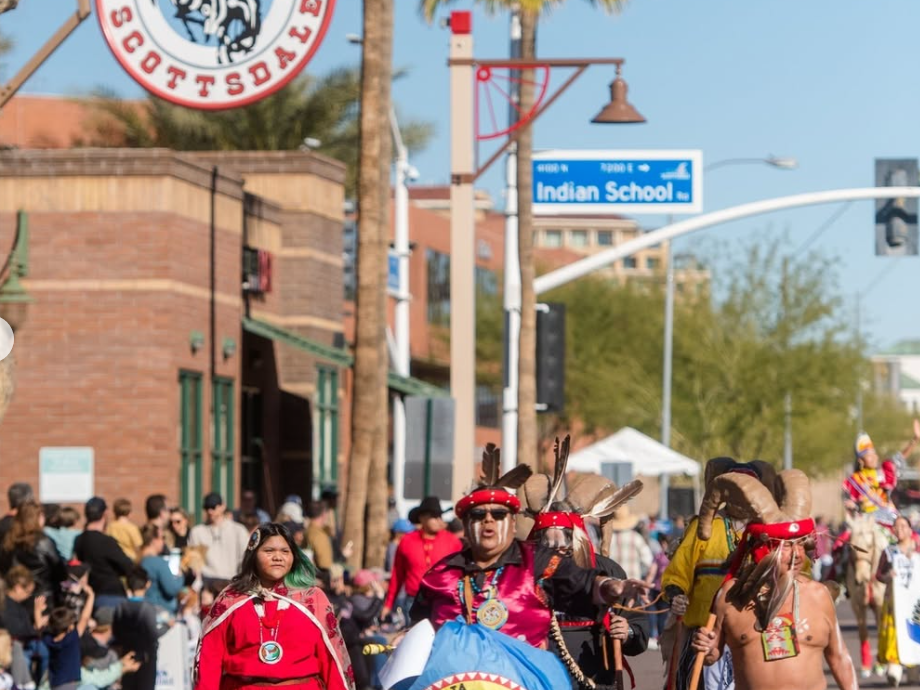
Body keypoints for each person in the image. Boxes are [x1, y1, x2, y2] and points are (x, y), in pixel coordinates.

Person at [410, 443, 649, 647]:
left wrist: (619, 612)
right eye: (478, 515)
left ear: (512, 523)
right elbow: (419, 629)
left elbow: (587, 584)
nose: (488, 521)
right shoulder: (441, 575)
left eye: (498, 514)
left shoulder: (545, 564)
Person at [690, 469, 857, 690]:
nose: (797, 554)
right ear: (762, 550)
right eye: (786, 545)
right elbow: (712, 656)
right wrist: (706, 646)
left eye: (800, 544)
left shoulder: (819, 595)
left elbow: (840, 657)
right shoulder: (731, 597)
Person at [523, 438, 649, 689]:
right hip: (536, 674)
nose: (557, 546)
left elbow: (639, 631)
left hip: (595, 677)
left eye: (564, 538)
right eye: (548, 540)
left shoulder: (607, 570)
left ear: (578, 537)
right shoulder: (523, 573)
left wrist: (627, 632)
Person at [193, 523, 354, 690]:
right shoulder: (230, 600)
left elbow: (332, 660)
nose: (278, 557)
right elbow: (209, 660)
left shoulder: (312, 599)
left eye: (285, 551)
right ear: (253, 555)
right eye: (269, 551)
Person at [661, 458, 776, 690]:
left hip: (754, 636)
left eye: (748, 491)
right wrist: (676, 595)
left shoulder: (771, 531)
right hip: (703, 635)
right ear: (723, 494)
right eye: (735, 491)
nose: (741, 498)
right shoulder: (704, 527)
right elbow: (677, 572)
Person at [382, 496, 462, 619]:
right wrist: (388, 604)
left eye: (439, 516)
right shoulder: (407, 541)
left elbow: (461, 573)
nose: (438, 520)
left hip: (444, 601)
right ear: (422, 518)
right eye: (433, 516)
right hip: (413, 602)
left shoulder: (453, 542)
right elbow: (397, 575)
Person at [842, 421, 920, 525]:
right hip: (867, 523)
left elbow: (900, 458)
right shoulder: (853, 481)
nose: (874, 457)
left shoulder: (884, 471)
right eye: (869, 455)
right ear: (861, 460)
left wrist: (915, 440)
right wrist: (853, 506)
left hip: (890, 519)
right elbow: (848, 504)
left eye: (874, 453)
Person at [875, 515, 920, 686]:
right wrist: (888, 576)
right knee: (895, 632)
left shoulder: (918, 550)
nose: (899, 530)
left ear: (910, 529)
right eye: (896, 527)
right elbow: (879, 575)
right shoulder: (889, 551)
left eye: (903, 526)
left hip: (916, 602)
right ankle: (894, 667)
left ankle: (914, 668)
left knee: (915, 631)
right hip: (895, 602)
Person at [73, 497, 136, 611]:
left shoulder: (79, 540)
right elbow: (128, 566)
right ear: (105, 514)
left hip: (91, 596)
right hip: (111, 596)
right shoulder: (106, 541)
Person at [112, 567, 169, 690]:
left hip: (127, 654)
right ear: (147, 584)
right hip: (146, 656)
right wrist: (167, 627)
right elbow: (152, 633)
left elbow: (116, 632)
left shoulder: (120, 606)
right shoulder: (148, 608)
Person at [0, 501, 66, 601]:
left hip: (15, 595)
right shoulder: (43, 541)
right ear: (36, 518)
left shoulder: (8, 540)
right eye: (42, 515)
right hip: (43, 597)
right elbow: (59, 570)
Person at [188, 493, 250, 592]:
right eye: (206, 507)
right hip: (207, 583)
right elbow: (195, 562)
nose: (210, 511)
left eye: (213, 507)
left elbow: (245, 558)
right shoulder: (197, 531)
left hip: (231, 581)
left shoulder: (238, 530)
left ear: (223, 506)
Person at [43, 584, 94, 690]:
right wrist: (91, 596)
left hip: (54, 683)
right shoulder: (71, 639)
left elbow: (39, 626)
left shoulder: (49, 640)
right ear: (70, 626)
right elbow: (84, 618)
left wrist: (37, 611)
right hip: (69, 683)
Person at [138, 524, 185, 615]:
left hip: (143, 611)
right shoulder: (158, 563)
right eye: (161, 538)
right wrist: (180, 576)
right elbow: (172, 589)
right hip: (161, 613)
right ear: (153, 541)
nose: (163, 542)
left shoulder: (139, 560)